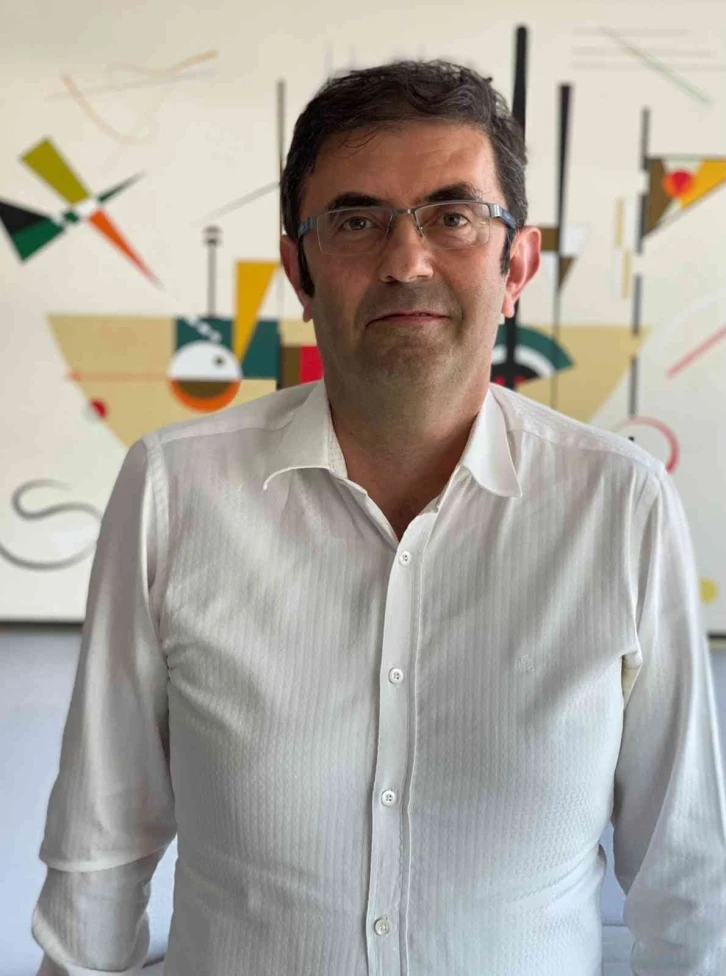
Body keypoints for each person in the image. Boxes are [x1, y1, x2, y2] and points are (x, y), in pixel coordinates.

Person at [31, 60, 726, 976]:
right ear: (299, 270)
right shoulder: (174, 490)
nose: (406, 260)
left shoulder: (620, 505)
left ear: (517, 264)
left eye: (453, 215)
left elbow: (687, 887)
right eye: (356, 221)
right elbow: (100, 854)